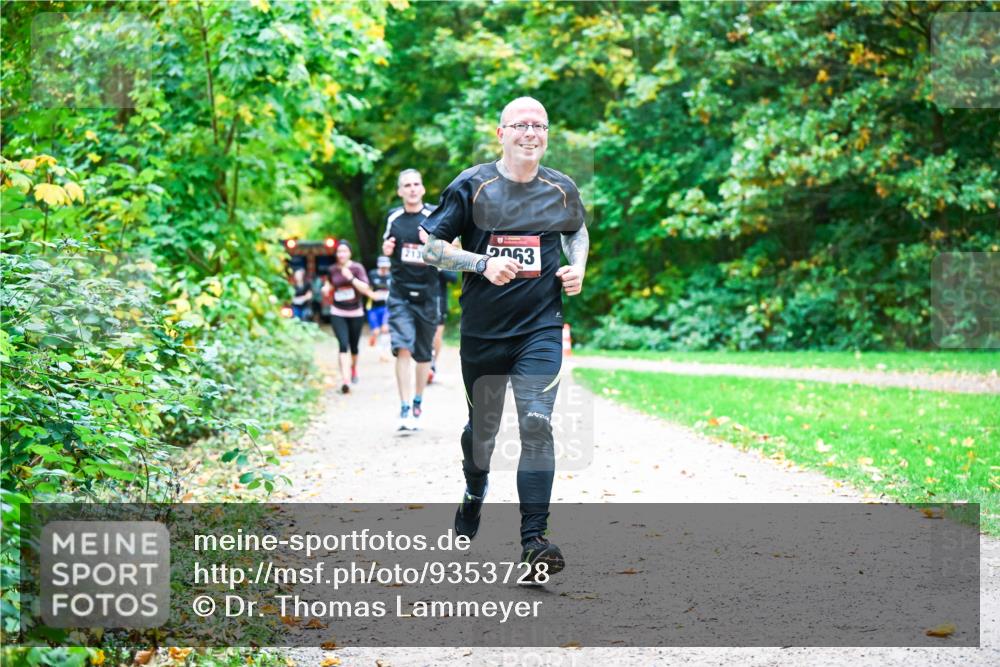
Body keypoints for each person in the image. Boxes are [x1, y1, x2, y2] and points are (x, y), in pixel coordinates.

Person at [421, 96, 589, 580]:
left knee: (536, 424)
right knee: (483, 435)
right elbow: (432, 249)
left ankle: (534, 542)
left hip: (539, 328)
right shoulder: (472, 186)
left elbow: (577, 233)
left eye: (539, 126)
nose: (530, 133)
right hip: (483, 332)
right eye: (520, 125)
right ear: (501, 133)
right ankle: (475, 491)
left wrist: (577, 265)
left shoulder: (561, 188)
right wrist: (481, 263)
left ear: (547, 135)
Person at [382, 169, 440, 432]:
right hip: (400, 294)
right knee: (402, 347)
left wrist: (432, 244)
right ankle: (404, 407)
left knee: (422, 353)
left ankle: (418, 401)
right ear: (400, 191)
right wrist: (386, 251)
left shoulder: (434, 216)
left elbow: (453, 251)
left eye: (417, 184)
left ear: (423, 188)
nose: (413, 188)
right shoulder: (393, 217)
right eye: (407, 185)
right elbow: (386, 248)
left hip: (428, 294)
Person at [325, 241, 377, 394]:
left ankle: (353, 368)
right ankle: (345, 380)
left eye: (344, 251)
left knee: (354, 346)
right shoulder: (332, 269)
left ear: (350, 253)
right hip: (337, 311)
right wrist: (325, 289)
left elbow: (366, 288)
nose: (341, 254)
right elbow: (329, 286)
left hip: (355, 312)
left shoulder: (357, 268)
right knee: (343, 344)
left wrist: (351, 278)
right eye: (339, 252)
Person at [428, 267, 458, 384]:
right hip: (422, 299)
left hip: (439, 300)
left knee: (437, 333)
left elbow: (453, 278)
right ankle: (426, 362)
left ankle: (432, 364)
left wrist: (439, 269)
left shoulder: (445, 259)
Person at [367, 256, 392, 347]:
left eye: (386, 267)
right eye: (382, 267)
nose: (384, 269)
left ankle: (383, 353)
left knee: (385, 329)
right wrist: (372, 295)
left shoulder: (391, 276)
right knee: (376, 331)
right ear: (378, 266)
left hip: (387, 307)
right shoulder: (372, 274)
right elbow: (367, 289)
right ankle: (373, 336)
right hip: (373, 307)